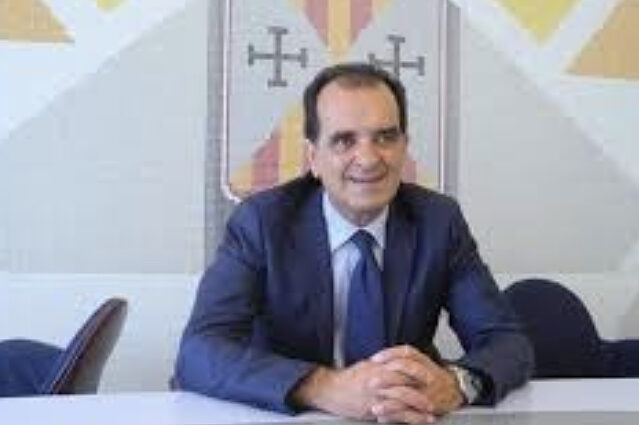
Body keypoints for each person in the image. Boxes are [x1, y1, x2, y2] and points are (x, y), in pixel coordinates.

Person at [175, 62, 533, 423]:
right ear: (313, 158)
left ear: (404, 147)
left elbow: (507, 342)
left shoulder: (438, 221)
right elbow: (199, 352)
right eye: (344, 140)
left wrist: (456, 384)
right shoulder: (262, 223)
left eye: (385, 137)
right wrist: (323, 387)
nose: (368, 158)